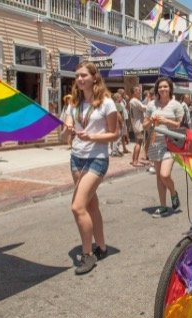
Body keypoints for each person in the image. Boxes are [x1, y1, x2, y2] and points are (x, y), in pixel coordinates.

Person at [62, 62, 119, 275]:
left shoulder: (106, 103)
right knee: (91, 205)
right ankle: (102, 247)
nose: (79, 79)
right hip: (76, 158)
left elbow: (114, 134)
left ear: (94, 77)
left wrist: (93, 136)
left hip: (97, 158)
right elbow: (66, 130)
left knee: (77, 207)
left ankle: (88, 255)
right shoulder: (74, 103)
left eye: (83, 75)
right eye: (77, 76)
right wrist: (67, 129)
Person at [143, 76, 184, 218]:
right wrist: (151, 121)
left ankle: (173, 192)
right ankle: (163, 205)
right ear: (157, 89)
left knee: (164, 175)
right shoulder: (151, 105)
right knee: (159, 178)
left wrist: (165, 120)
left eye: (165, 86)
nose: (163, 89)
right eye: (160, 87)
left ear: (170, 88)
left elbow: (179, 125)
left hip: (171, 143)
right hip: (155, 142)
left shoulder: (176, 105)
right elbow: (144, 125)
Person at [129, 85, 147, 167]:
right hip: (138, 124)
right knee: (138, 143)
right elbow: (143, 108)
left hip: (136, 124)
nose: (140, 92)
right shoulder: (134, 101)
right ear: (134, 92)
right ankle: (135, 161)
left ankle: (134, 160)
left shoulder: (133, 100)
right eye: (138, 90)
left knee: (137, 142)